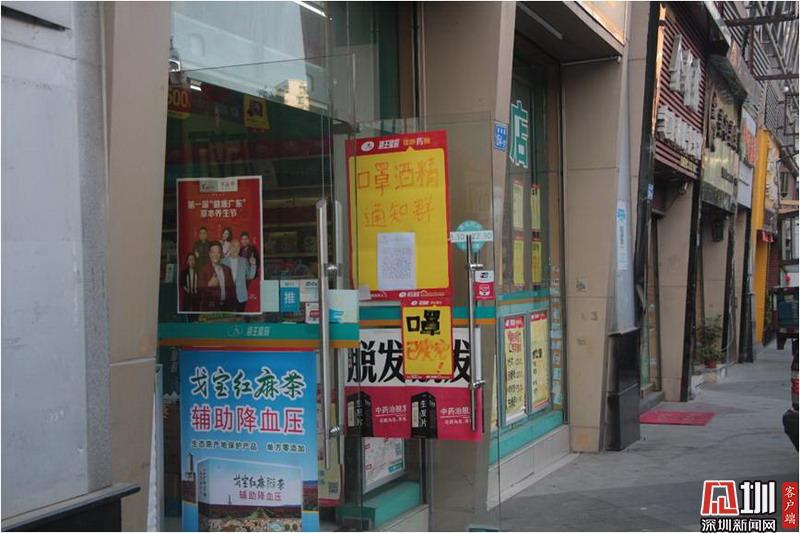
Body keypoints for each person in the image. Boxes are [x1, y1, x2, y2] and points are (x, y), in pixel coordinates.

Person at [198, 242, 235, 312]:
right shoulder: (203, 270)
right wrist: (208, 284)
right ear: (209, 254)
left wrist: (233, 307)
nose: (215, 255)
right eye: (213, 252)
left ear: (221, 254)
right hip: (210, 308)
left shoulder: (227, 269)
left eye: (218, 252)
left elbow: (232, 290)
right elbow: (198, 288)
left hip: (226, 307)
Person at [222, 240, 257, 312]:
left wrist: (253, 265)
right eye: (233, 246)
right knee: (227, 317)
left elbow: (250, 276)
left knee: (240, 316)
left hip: (241, 296)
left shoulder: (244, 261)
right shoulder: (223, 261)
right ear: (229, 248)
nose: (235, 249)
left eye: (238, 247)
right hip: (227, 296)